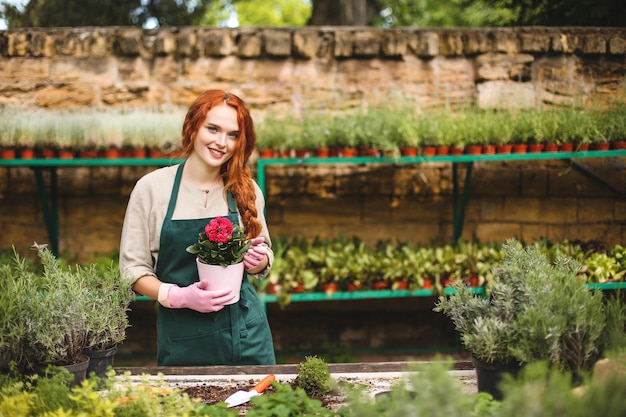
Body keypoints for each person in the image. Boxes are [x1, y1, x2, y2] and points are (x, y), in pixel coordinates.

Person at [119, 89, 276, 366]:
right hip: (182, 341)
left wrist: (256, 259)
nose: (221, 142)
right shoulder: (152, 189)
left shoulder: (246, 189)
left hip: (247, 336)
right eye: (212, 129)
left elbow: (263, 257)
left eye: (232, 134)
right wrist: (178, 296)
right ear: (193, 128)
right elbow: (132, 271)